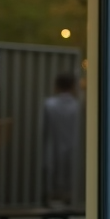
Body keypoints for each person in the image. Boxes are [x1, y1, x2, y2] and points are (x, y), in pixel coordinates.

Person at [41, 72, 81, 208]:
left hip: (52, 146)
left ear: (56, 86)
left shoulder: (49, 104)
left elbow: (43, 129)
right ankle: (70, 199)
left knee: (52, 172)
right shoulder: (78, 106)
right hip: (74, 148)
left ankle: (50, 198)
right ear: (73, 86)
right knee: (72, 174)